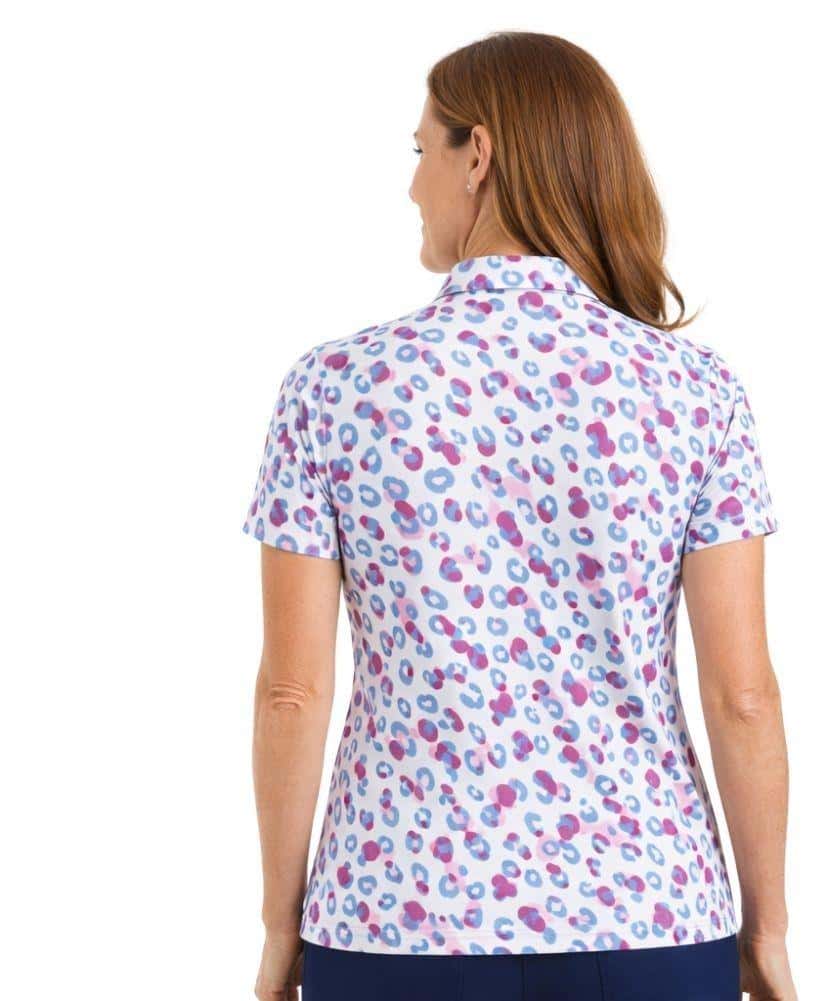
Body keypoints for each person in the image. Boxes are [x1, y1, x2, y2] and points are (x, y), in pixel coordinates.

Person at [243, 30, 796, 1001]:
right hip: (651, 917)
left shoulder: (333, 389)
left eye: (421, 149)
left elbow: (292, 692)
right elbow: (740, 694)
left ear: (479, 155)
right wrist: (768, 928)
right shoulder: (696, 393)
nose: (411, 184)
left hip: (393, 919)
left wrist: (280, 926)